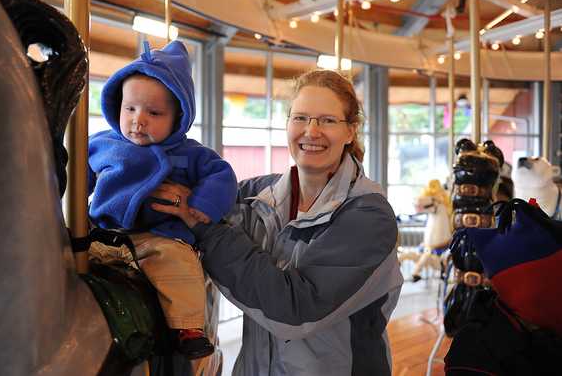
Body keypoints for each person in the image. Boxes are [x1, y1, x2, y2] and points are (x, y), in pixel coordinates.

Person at [152, 69, 404, 375]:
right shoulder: (255, 196)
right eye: (300, 118)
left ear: (350, 131)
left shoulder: (367, 217)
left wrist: (203, 225)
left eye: (327, 120)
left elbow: (294, 309)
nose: (311, 131)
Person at [87, 40, 238, 360]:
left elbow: (222, 175)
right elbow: (77, 176)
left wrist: (204, 202)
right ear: (117, 107)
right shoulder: (102, 144)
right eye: (130, 109)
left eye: (154, 113)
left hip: (157, 237)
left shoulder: (190, 152)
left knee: (177, 265)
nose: (138, 120)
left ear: (177, 117)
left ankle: (188, 327)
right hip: (101, 233)